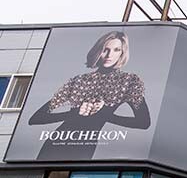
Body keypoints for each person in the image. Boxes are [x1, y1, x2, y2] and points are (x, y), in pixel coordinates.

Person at [28, 30, 151, 161]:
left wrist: (105, 115)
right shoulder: (79, 80)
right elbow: (36, 118)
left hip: (85, 145)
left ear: (122, 53)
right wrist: (74, 114)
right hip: (58, 140)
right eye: (105, 49)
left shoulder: (128, 81)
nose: (109, 55)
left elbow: (143, 122)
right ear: (99, 51)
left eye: (116, 50)